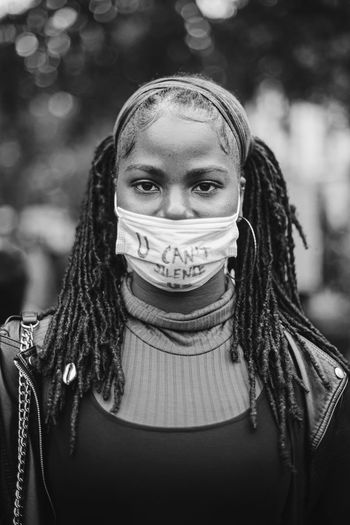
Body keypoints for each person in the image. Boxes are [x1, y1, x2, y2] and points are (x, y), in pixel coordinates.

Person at [1, 75, 349, 525]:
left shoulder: (313, 384)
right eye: (147, 184)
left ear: (240, 193)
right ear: (113, 192)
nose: (176, 209)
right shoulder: (30, 364)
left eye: (205, 185)